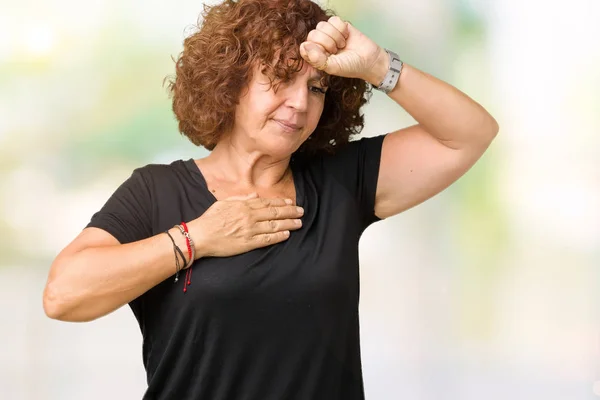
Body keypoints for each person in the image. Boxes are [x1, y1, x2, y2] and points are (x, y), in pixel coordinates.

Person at [43, 0, 499, 398]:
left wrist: (378, 65)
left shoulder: (342, 182)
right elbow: (64, 295)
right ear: (231, 82)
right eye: (279, 78)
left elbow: (470, 134)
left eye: (316, 87)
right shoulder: (157, 191)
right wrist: (196, 238)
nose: (299, 103)